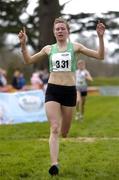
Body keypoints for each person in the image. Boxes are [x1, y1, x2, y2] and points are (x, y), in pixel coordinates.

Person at [18, 17, 105, 176]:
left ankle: (62, 139)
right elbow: (28, 61)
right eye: (57, 29)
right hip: (52, 90)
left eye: (62, 28)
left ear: (67, 31)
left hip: (69, 92)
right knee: (55, 127)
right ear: (54, 32)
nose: (59, 31)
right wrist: (23, 45)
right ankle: (54, 164)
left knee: (64, 132)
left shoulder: (76, 47)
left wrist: (100, 37)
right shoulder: (48, 49)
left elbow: (100, 56)